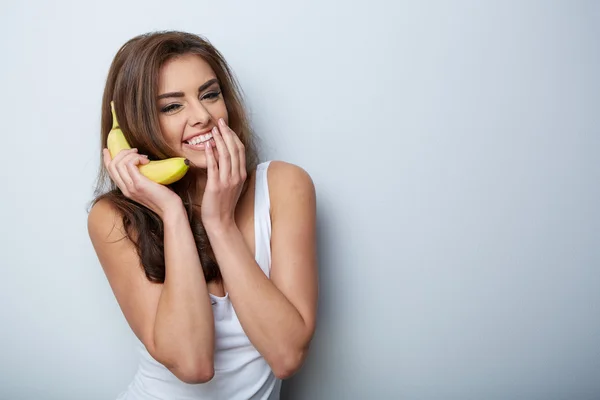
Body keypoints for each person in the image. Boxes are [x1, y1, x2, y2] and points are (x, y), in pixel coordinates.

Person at [87, 30, 318, 400]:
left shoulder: (285, 186)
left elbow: (286, 355)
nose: (203, 116)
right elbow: (193, 364)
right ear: (137, 122)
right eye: (172, 106)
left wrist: (219, 223)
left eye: (210, 95)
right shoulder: (113, 217)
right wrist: (172, 212)